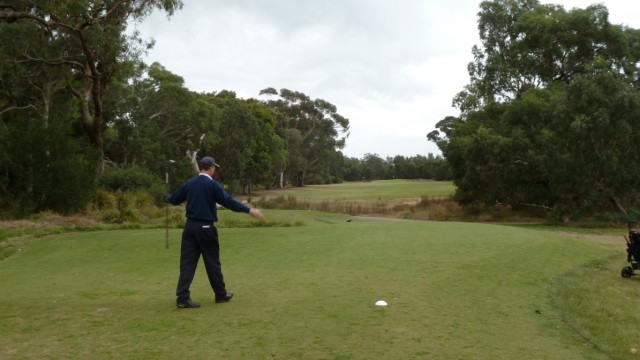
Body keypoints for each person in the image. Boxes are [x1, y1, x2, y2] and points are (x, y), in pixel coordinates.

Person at [165, 156, 264, 308]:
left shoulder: (190, 183)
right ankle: (220, 294)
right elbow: (228, 202)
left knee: (187, 263)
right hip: (205, 228)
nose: (214, 170)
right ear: (210, 168)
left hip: (190, 227)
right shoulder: (213, 185)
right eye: (214, 168)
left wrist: (167, 197)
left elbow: (175, 199)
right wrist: (249, 210)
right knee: (212, 262)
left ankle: (182, 298)